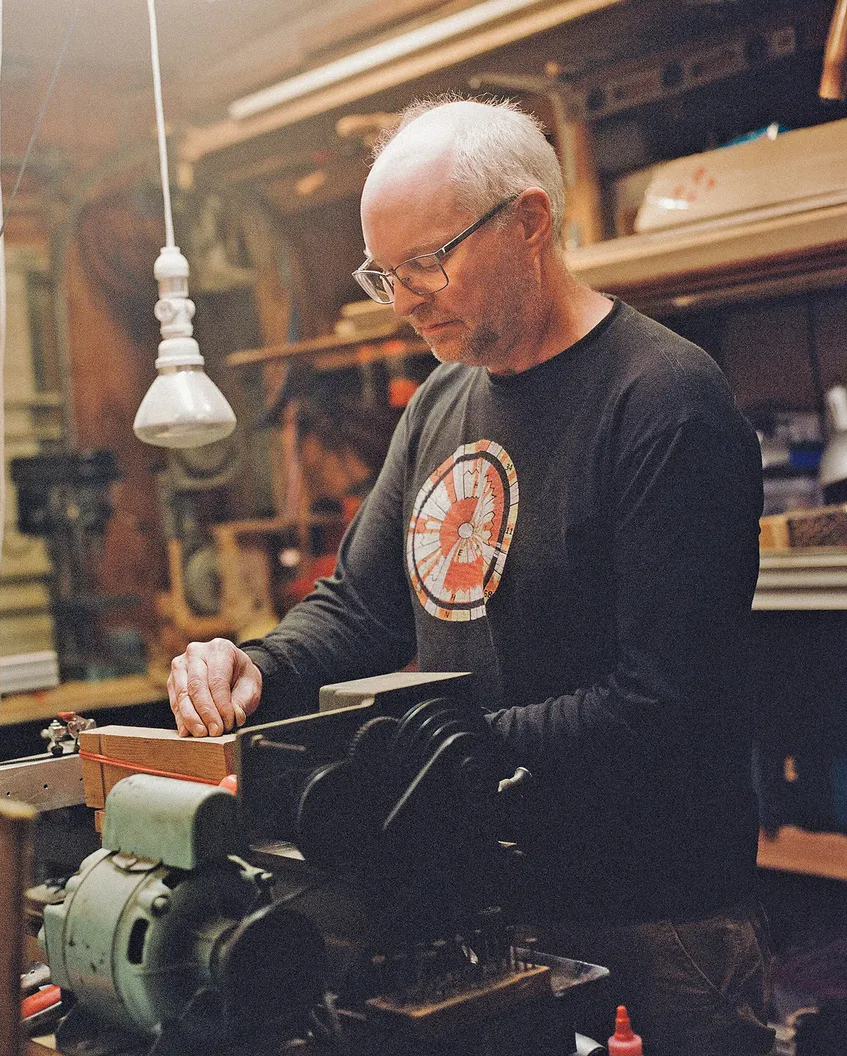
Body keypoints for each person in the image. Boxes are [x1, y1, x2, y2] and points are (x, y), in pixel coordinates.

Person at [167, 97, 773, 1056]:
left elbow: (667, 699)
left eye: (427, 261)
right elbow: (363, 607)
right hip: (485, 895)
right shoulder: (444, 398)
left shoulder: (665, 402)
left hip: (654, 912)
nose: (403, 298)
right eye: (383, 272)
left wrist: (441, 749)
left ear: (529, 223)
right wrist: (259, 665)